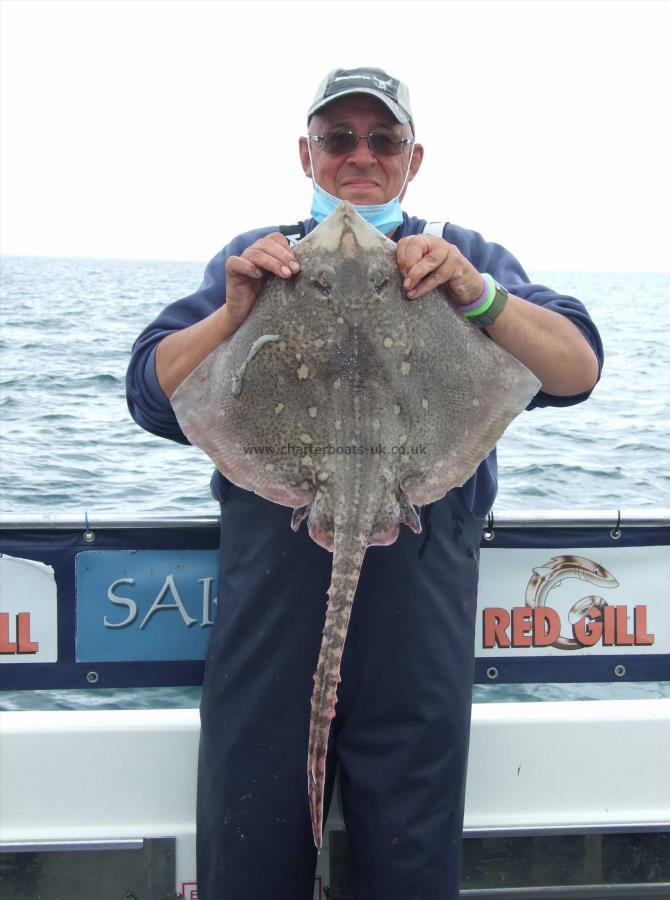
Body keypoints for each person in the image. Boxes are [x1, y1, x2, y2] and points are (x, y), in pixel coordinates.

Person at [127, 67, 603, 900]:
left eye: (381, 140)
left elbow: (574, 370)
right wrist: (237, 311)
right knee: (248, 854)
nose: (360, 156)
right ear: (305, 153)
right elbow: (150, 395)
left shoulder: (464, 257)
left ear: (412, 159)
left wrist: (476, 294)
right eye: (338, 138)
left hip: (416, 608)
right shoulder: (258, 260)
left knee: (407, 863)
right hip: (271, 604)